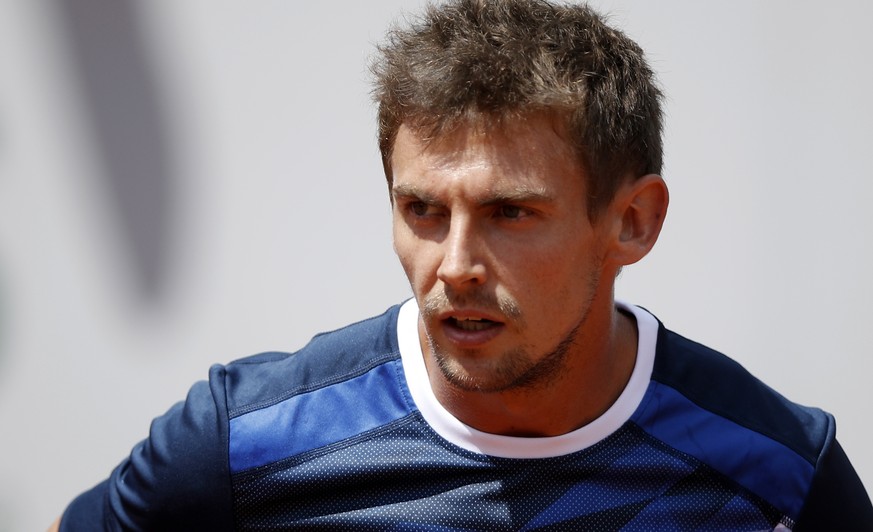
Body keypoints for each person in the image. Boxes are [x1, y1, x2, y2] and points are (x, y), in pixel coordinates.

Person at [52, 0, 872, 530]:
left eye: (509, 213)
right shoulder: (241, 441)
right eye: (422, 211)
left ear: (631, 221)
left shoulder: (779, 479)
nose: (454, 265)